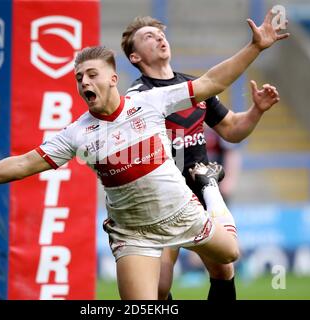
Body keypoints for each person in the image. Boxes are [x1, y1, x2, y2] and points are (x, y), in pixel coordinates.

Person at [0, 13, 288, 299]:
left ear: (113, 78)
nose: (84, 83)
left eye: (91, 75)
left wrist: (254, 48)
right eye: (79, 77)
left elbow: (211, 82)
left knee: (229, 257)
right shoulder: (77, 132)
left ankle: (209, 188)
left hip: (183, 211)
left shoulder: (151, 101)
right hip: (132, 234)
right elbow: (23, 162)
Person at [121, 15, 282, 300]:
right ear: (134, 56)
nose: (159, 38)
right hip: (163, 200)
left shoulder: (193, 86)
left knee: (223, 269)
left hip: (200, 192)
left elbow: (232, 129)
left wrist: (256, 111)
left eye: (160, 34)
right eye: (148, 36)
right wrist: (255, 47)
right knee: (158, 288)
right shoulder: (138, 97)